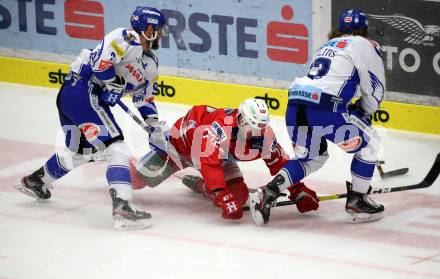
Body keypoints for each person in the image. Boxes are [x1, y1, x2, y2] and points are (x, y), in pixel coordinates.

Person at [13, 6, 166, 230]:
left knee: (84, 151)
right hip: (83, 92)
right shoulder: (126, 38)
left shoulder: (150, 64)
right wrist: (115, 82)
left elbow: (143, 99)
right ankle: (123, 209)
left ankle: (36, 180)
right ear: (148, 28)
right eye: (158, 29)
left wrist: (153, 125)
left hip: (75, 98)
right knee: (117, 148)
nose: (161, 34)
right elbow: (99, 65)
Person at [249, 9, 386, 225]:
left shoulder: (326, 46)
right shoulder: (364, 44)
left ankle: (270, 191)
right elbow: (375, 89)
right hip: (325, 110)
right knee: (370, 145)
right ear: (364, 29)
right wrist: (365, 110)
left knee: (312, 157)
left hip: (295, 105)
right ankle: (358, 200)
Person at [130, 99, 319, 220]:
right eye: (253, 127)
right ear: (241, 120)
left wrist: (298, 190)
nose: (258, 132)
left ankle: (203, 186)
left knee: (239, 197)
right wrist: (222, 194)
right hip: (180, 149)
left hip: (219, 158)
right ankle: (118, 160)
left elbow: (279, 163)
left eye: (262, 127)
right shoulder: (219, 129)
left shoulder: (263, 134)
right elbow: (208, 163)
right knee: (137, 180)